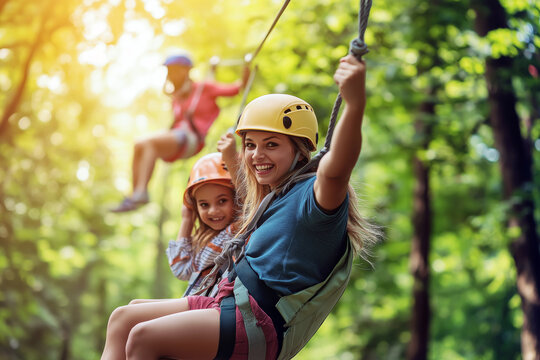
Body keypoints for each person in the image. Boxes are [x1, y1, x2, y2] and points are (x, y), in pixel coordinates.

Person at [101, 54, 379, 360]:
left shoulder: (312, 200)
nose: (258, 154)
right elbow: (244, 190)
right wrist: (232, 155)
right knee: (124, 318)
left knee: (144, 338)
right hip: (227, 301)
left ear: (298, 150)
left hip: (257, 322)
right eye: (251, 145)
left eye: (271, 144)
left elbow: (337, 169)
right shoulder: (270, 199)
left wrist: (354, 105)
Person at [111, 53, 250, 212]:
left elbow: (237, 88)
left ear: (186, 71)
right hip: (179, 137)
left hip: (191, 139)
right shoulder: (178, 97)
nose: (170, 76)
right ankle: (136, 194)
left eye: (174, 71)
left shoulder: (203, 88)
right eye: (169, 72)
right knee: (139, 144)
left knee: (148, 142)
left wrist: (246, 68)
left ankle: (141, 192)